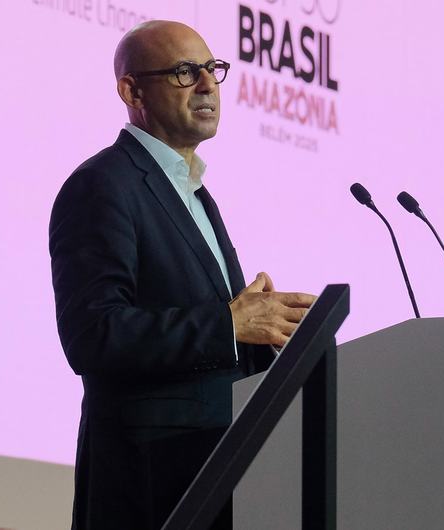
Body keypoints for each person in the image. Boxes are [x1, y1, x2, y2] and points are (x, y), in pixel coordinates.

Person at [48, 20, 316, 530]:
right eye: (185, 72)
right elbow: (93, 335)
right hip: (148, 486)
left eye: (212, 69)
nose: (208, 85)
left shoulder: (194, 193)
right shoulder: (103, 185)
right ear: (132, 91)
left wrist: (269, 333)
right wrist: (229, 324)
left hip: (217, 473)